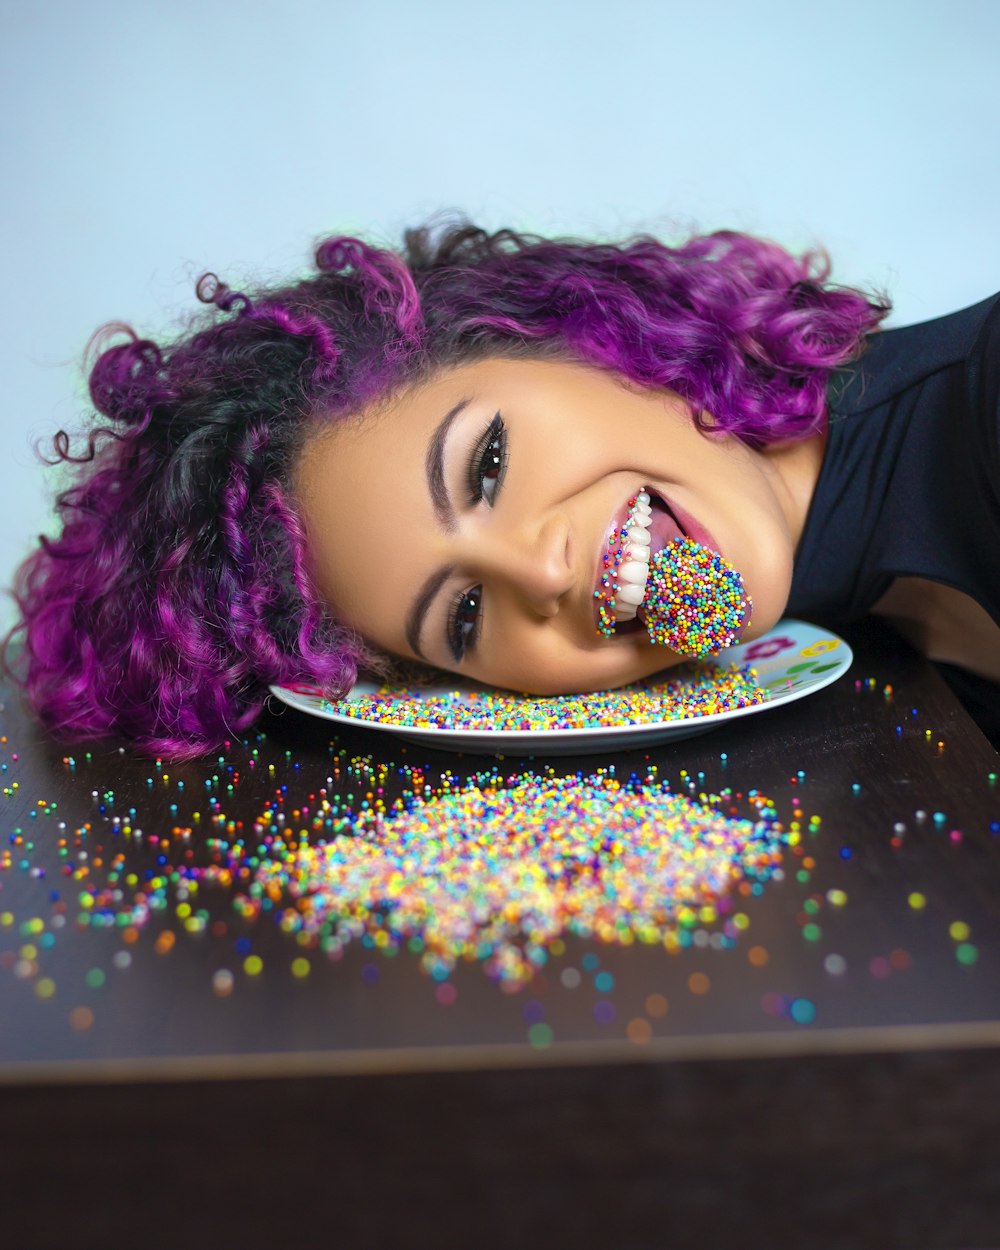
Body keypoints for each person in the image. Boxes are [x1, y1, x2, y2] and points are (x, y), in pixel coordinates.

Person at [6, 223, 998, 755]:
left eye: (484, 465)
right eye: (465, 614)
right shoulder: (856, 628)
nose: (539, 567)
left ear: (591, 335)